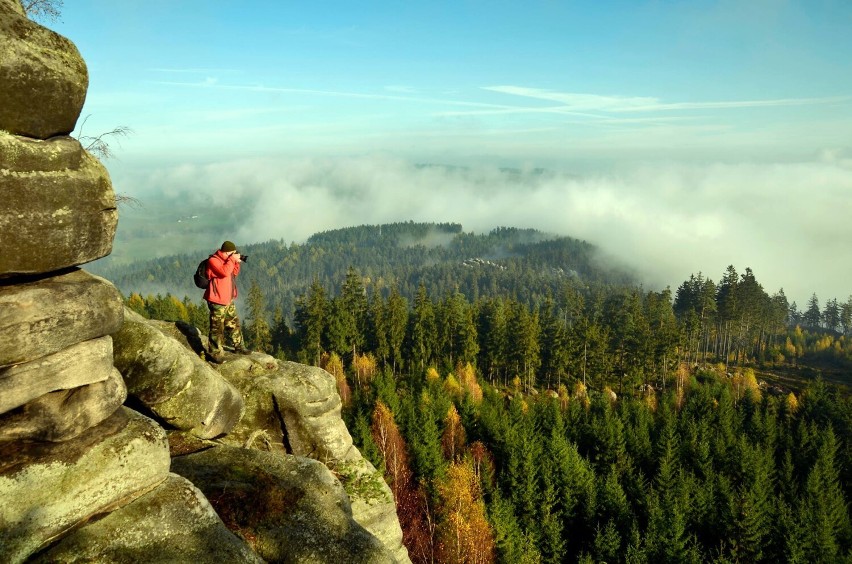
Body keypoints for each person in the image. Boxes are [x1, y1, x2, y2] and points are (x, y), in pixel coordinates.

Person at [204, 240, 250, 361]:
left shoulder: (227, 260)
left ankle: (239, 346)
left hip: (228, 299)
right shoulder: (213, 260)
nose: (234, 254)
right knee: (217, 327)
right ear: (227, 252)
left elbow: (233, 273)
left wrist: (236, 262)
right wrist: (232, 260)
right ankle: (215, 353)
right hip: (217, 300)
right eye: (232, 252)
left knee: (234, 324)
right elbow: (224, 272)